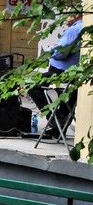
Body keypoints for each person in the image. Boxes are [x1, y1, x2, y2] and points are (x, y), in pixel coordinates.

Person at [27, 11, 83, 139]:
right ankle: (57, 128)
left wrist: (50, 49)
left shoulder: (74, 30)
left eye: (69, 15)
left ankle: (54, 117)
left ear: (78, 15)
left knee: (33, 86)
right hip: (74, 73)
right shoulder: (85, 27)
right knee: (67, 98)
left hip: (62, 70)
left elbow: (61, 52)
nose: (65, 18)